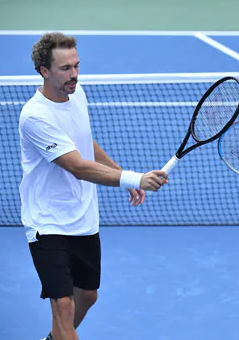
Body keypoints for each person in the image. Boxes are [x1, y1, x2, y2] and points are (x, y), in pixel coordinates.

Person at [18, 32, 168, 340]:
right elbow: (77, 166)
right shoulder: (35, 116)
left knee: (87, 296)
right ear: (44, 71)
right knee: (63, 305)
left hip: (83, 219)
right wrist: (134, 178)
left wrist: (120, 171)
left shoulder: (78, 94)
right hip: (48, 223)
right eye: (65, 68)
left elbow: (83, 143)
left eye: (76, 65)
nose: (74, 74)